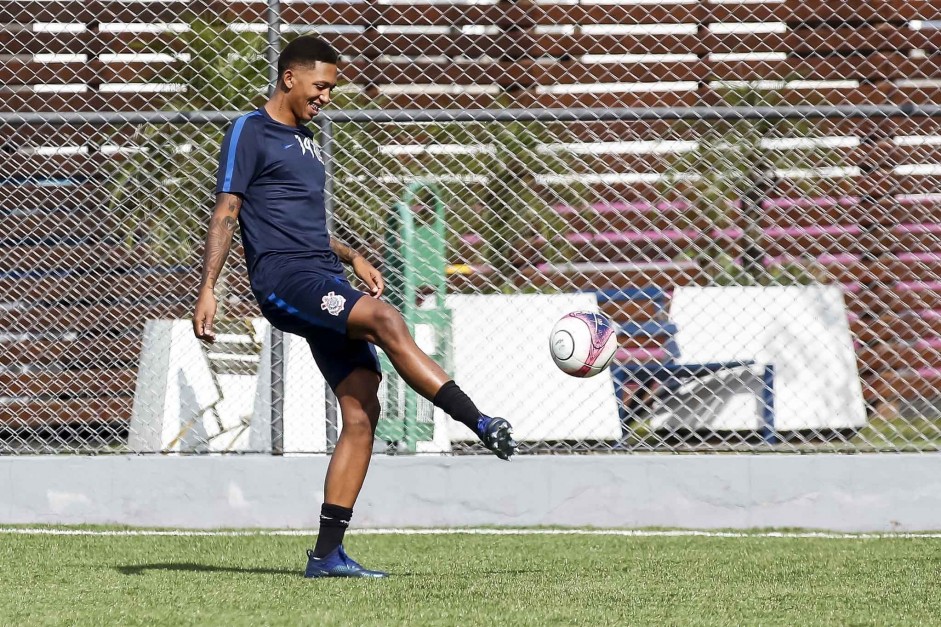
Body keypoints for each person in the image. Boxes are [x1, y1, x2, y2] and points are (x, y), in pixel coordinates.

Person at [192, 35, 517, 579]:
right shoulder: (250, 129)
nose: (325, 97)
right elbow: (228, 210)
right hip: (283, 279)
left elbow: (306, 227)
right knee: (386, 319)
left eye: (331, 89)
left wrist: (352, 254)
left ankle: (326, 556)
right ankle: (478, 420)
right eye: (320, 86)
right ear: (290, 77)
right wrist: (209, 287)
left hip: (320, 273)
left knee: (363, 411)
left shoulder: (311, 141)